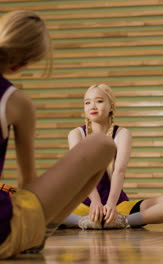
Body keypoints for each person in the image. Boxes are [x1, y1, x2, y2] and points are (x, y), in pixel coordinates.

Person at [0, 10, 117, 258]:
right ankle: (40, 232)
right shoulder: (15, 102)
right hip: (3, 233)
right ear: (22, 63)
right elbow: (27, 182)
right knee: (102, 145)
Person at [62, 84, 163, 230]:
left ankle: (123, 222)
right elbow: (82, 173)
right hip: (83, 205)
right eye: (87, 102)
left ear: (111, 106)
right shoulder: (76, 134)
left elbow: (119, 171)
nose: (93, 106)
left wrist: (110, 205)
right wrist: (95, 202)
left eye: (99, 101)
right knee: (39, 208)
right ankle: (82, 221)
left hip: (118, 205)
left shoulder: (122, 134)